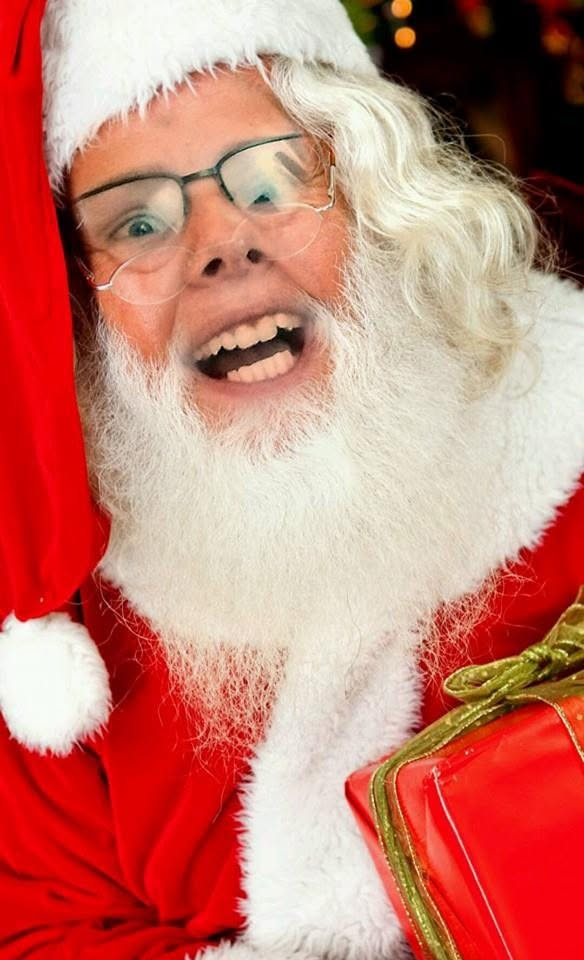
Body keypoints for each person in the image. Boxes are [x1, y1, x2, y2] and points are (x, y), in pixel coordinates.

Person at [0, 0, 583, 957]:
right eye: (137, 223)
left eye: (270, 181)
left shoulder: (571, 447)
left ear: (373, 190)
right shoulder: (60, 626)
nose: (220, 245)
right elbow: (34, 927)